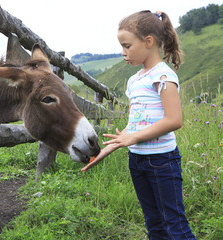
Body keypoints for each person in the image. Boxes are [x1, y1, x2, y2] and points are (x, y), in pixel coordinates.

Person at [81, 10, 196, 240]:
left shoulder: (163, 76)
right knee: (153, 223)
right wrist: (108, 149)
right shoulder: (134, 80)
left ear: (149, 41)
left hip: (162, 161)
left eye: (127, 46)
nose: (123, 53)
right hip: (137, 160)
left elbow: (174, 120)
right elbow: (136, 124)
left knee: (175, 224)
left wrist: (133, 138)